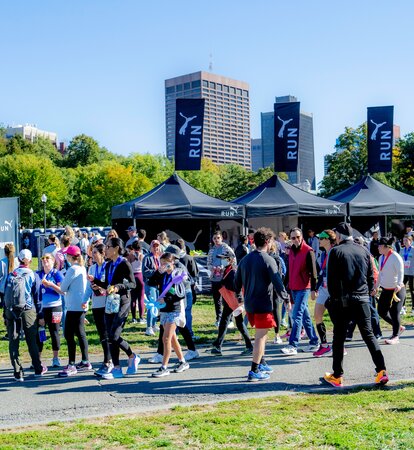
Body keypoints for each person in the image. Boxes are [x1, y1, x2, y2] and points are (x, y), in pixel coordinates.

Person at [324, 222, 388, 388]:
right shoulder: (364, 250)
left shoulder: (335, 251)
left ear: (338, 236)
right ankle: (382, 370)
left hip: (343, 300)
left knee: (339, 337)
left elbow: (331, 281)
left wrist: (333, 299)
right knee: (369, 335)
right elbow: (370, 277)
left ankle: (337, 375)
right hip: (362, 299)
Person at [235, 227, 289, 382]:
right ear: (267, 241)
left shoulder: (245, 259)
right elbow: (278, 282)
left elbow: (236, 281)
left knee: (262, 336)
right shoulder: (268, 259)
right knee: (260, 337)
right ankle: (254, 370)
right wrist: (285, 298)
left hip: (250, 304)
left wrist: (240, 299)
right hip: (262, 304)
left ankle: (262, 362)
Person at [92, 237, 140, 379]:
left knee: (114, 335)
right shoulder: (108, 265)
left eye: (108, 247)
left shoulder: (124, 263)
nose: (105, 250)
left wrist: (118, 287)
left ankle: (132, 355)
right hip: (110, 302)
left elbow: (133, 284)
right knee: (109, 337)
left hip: (123, 302)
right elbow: (107, 283)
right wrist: (95, 282)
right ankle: (117, 368)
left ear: (116, 249)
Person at [43, 245, 92, 377]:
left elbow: (63, 288)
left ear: (70, 257)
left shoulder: (72, 269)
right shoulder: (82, 268)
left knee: (69, 334)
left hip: (73, 307)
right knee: (81, 333)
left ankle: (71, 364)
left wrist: (50, 284)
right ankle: (85, 360)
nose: (65, 257)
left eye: (67, 255)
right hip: (81, 305)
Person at [4, 249, 47, 381]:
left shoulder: (11, 275)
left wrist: (5, 314)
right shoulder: (33, 275)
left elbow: (4, 294)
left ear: (19, 259)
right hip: (28, 310)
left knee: (13, 341)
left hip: (11, 310)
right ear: (29, 260)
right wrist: (40, 315)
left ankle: (17, 372)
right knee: (31, 340)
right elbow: (37, 298)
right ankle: (37, 368)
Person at [150, 252, 190, 377]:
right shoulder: (162, 276)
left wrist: (166, 299)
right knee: (172, 338)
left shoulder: (177, 275)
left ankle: (164, 367)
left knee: (165, 338)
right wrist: (158, 272)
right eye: (161, 263)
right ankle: (183, 362)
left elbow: (180, 294)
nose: (163, 265)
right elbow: (150, 282)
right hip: (164, 310)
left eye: (166, 263)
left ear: (172, 262)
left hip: (174, 310)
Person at [281, 228, 319, 355]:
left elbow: (314, 272)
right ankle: (314, 341)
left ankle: (293, 345)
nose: (296, 240)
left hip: (304, 288)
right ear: (290, 239)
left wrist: (314, 289)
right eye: (293, 238)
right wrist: (285, 286)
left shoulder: (308, 251)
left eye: (298, 237)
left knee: (296, 315)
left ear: (301, 236)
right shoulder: (291, 251)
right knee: (305, 316)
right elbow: (289, 270)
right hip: (293, 287)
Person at [209, 250, 253, 356]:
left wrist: (222, 283)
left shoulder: (232, 271)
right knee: (228, 321)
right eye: (221, 259)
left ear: (230, 259)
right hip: (231, 300)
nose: (222, 261)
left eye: (224, 259)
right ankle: (218, 344)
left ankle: (248, 345)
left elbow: (234, 286)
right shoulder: (228, 270)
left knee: (235, 323)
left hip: (234, 301)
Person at [84, 243, 112, 377]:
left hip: (107, 303)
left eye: (95, 252)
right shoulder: (91, 268)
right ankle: (107, 359)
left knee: (109, 332)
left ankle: (109, 360)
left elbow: (109, 285)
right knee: (101, 333)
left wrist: (102, 288)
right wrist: (84, 301)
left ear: (102, 253)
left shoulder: (108, 267)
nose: (92, 255)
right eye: (92, 252)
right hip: (96, 304)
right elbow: (89, 287)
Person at [376, 237, 405, 345]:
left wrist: (399, 284)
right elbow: (380, 274)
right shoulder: (380, 257)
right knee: (381, 311)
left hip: (397, 290)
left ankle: (395, 336)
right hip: (386, 289)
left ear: (385, 247)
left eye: (379, 245)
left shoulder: (395, 257)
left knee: (394, 312)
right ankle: (399, 327)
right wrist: (376, 287)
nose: (378, 247)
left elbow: (401, 272)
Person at [37, 253, 64, 368]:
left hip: (55, 307)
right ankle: (37, 360)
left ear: (53, 261)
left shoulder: (57, 274)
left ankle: (55, 358)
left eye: (48, 258)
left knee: (54, 332)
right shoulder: (38, 274)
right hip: (42, 308)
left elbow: (63, 291)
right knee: (40, 333)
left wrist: (51, 285)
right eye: (43, 258)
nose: (45, 260)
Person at [312, 230, 336, 357]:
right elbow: (321, 272)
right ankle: (324, 345)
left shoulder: (335, 252)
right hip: (323, 289)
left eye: (321, 238)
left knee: (336, 319)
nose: (319, 240)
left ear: (328, 239)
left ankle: (340, 345)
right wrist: (315, 287)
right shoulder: (322, 254)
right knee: (317, 315)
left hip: (334, 290)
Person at [207, 231, 235, 327]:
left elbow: (232, 259)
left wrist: (222, 267)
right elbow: (209, 263)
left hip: (225, 277)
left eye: (218, 238)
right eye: (214, 238)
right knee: (217, 300)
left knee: (227, 299)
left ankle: (230, 319)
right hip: (215, 278)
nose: (216, 240)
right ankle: (218, 318)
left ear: (221, 238)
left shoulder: (226, 248)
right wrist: (212, 268)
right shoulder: (211, 250)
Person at [142, 240, 163, 335]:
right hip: (150, 284)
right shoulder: (147, 258)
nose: (156, 248)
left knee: (157, 305)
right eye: (154, 246)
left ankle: (154, 324)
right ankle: (148, 327)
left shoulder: (160, 257)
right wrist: (156, 272)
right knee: (151, 305)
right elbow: (145, 272)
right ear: (150, 247)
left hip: (159, 285)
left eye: (157, 246)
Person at [0, 243, 19, 341]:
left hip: (4, 290)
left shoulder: (2, 262)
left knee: (6, 312)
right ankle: (18, 331)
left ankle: (9, 332)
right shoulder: (17, 262)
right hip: (16, 290)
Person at [127, 240, 145, 324]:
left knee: (133, 298)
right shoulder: (143, 256)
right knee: (141, 298)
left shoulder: (130, 256)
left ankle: (134, 317)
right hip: (141, 276)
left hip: (133, 277)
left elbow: (128, 267)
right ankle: (141, 317)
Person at [400, 234, 414, 315]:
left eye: (406, 240)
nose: (404, 242)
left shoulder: (413, 250)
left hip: (412, 273)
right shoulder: (402, 250)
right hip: (403, 273)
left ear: (410, 241)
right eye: (403, 240)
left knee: (412, 290)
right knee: (402, 290)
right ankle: (402, 307)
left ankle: (413, 308)